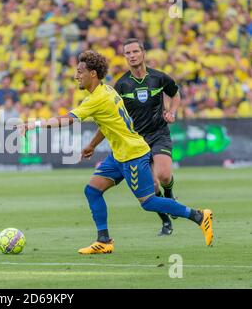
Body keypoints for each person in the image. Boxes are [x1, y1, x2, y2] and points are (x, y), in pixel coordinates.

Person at [17, 50, 213, 254]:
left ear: (93, 74)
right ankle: (104, 240)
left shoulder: (96, 99)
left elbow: (68, 119)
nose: (76, 76)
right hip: (119, 155)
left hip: (132, 155)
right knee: (92, 190)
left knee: (148, 202)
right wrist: (92, 145)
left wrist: (33, 124)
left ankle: (198, 216)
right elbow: (107, 124)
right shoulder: (108, 90)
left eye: (80, 72)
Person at [114, 38, 181, 236]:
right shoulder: (122, 84)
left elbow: (175, 95)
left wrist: (172, 112)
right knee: (151, 187)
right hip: (136, 140)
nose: (132, 56)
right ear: (124, 56)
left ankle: (169, 195)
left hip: (159, 133)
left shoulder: (159, 78)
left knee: (164, 175)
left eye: (135, 51)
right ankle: (166, 222)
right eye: (128, 53)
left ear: (143, 53)